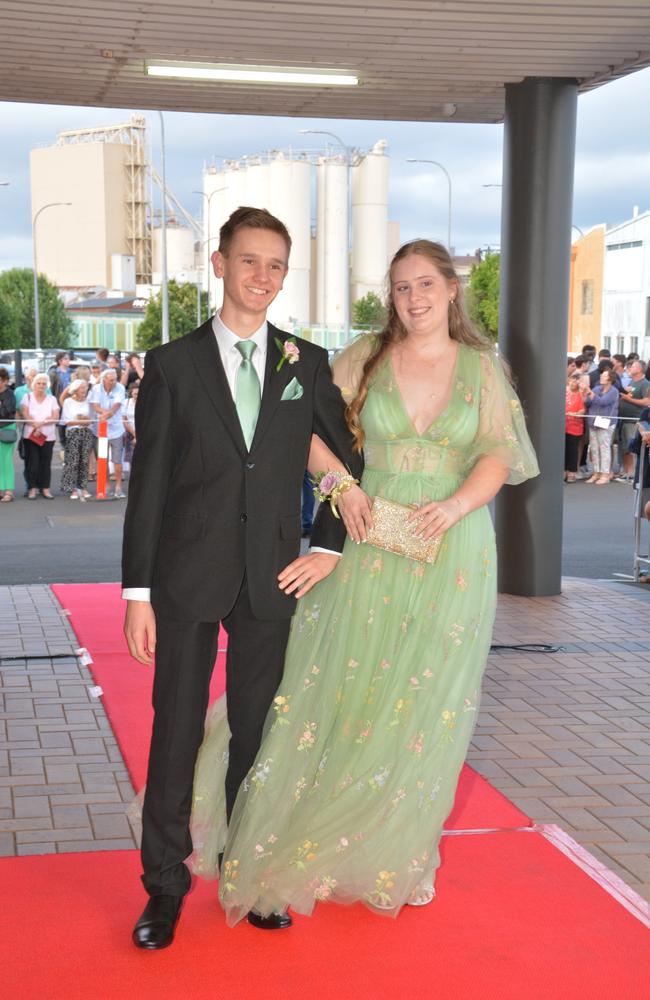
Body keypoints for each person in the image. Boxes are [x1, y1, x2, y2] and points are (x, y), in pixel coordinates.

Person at [189, 238, 539, 927]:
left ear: (450, 289)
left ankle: (393, 849)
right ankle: (286, 833)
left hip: (453, 547)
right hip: (367, 538)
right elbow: (302, 427)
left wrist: (457, 505)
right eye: (402, 288)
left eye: (425, 286)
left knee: (423, 704)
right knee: (332, 688)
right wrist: (341, 483)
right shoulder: (363, 359)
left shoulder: (481, 370)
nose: (414, 299)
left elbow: (499, 452)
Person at [122, 206, 362, 948]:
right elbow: (150, 486)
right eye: (249, 260)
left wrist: (328, 546)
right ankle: (163, 888)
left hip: (273, 582)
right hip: (185, 578)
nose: (262, 277)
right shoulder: (172, 364)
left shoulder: (306, 363)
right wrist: (137, 594)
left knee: (259, 738)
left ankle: (249, 874)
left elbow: (343, 464)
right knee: (178, 737)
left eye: (276, 265)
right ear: (218, 263)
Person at [20, 373, 60, 500]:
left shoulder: (52, 399)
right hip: (31, 435)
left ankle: (45, 488)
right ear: (33, 385)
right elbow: (25, 414)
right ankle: (32, 489)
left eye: (44, 383)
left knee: (45, 463)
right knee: (32, 463)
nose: (41, 386)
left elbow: (56, 417)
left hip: (48, 436)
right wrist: (36, 426)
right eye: (39, 383)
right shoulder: (27, 397)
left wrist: (42, 424)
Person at [90, 369, 127, 498]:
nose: (114, 382)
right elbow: (94, 405)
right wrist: (104, 413)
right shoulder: (96, 389)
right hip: (99, 430)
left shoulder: (120, 387)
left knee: (117, 461)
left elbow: (117, 405)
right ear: (104, 379)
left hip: (116, 430)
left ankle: (118, 487)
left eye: (115, 379)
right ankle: (105, 485)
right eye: (111, 380)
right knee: (102, 459)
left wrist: (108, 413)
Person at [615, 360, 650, 482]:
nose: (630, 367)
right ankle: (625, 472)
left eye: (634, 366)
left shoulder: (645, 383)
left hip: (634, 420)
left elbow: (646, 402)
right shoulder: (631, 381)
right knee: (624, 446)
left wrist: (627, 399)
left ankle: (631, 473)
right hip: (624, 418)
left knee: (632, 447)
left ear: (640, 369)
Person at [60, 379, 94, 500]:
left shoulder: (89, 402)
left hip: (87, 432)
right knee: (73, 461)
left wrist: (85, 420)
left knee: (84, 461)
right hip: (73, 432)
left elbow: (92, 419)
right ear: (75, 389)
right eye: (82, 388)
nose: (84, 390)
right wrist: (81, 420)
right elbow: (66, 420)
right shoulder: (68, 402)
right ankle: (73, 488)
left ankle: (83, 487)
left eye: (85, 387)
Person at [584, 369, 619, 484]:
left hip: (606, 423)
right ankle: (596, 472)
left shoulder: (614, 391)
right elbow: (588, 402)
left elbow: (603, 402)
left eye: (604, 376)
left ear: (610, 378)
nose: (601, 377)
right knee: (594, 448)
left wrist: (590, 393)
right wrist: (587, 395)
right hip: (593, 422)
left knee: (604, 448)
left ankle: (605, 474)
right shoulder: (597, 388)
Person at [0, 367, 17, 502]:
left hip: (6, 430)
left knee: (6, 462)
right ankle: (1, 490)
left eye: (0, 380)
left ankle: (9, 491)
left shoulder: (9, 394)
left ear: (5, 381)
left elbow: (8, 412)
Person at [565, 373, 585, 483]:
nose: (572, 383)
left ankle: (572, 472)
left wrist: (576, 413)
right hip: (564, 425)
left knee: (573, 450)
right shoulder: (565, 393)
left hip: (575, 426)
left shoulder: (580, 394)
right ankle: (563, 471)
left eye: (575, 381)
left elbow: (583, 409)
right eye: (571, 380)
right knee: (564, 450)